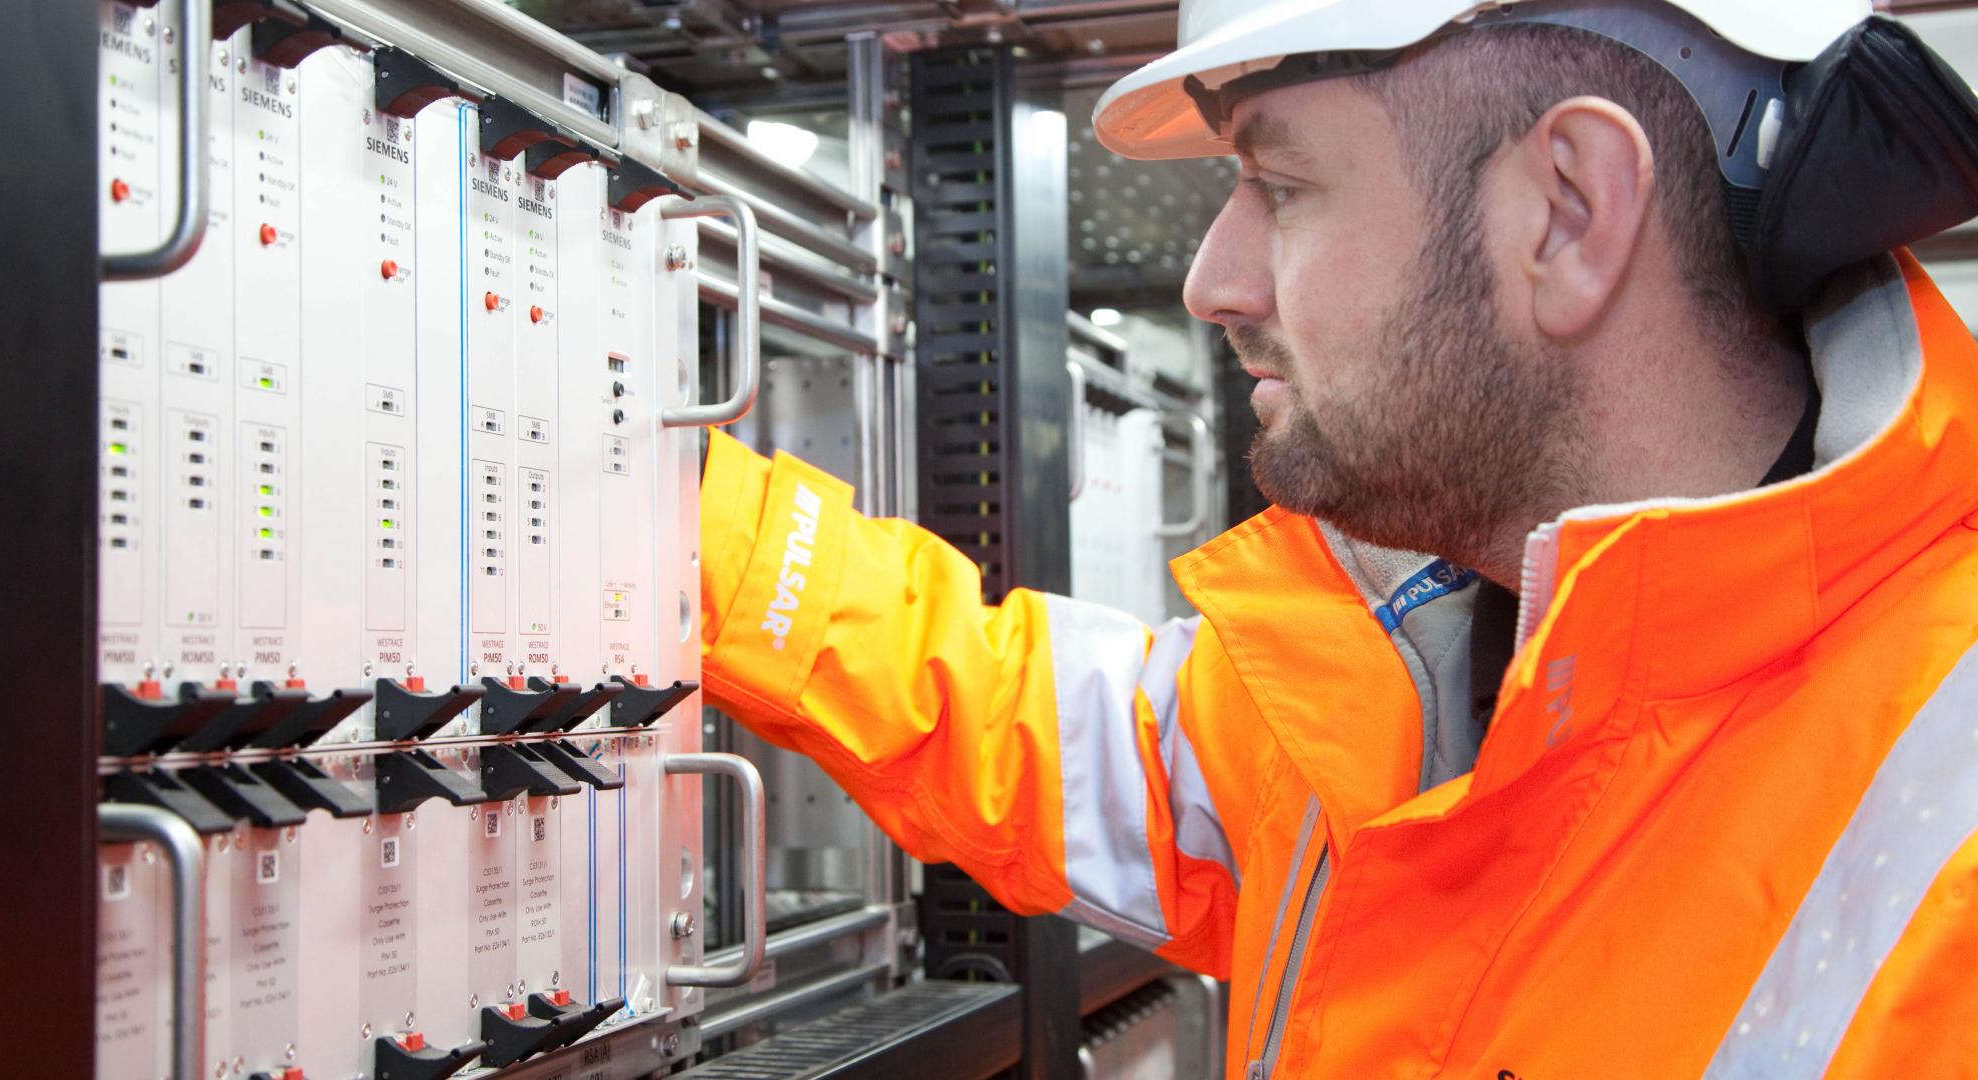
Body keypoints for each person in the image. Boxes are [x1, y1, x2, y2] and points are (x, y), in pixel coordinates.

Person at [697, 0, 1978, 1074]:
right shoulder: (1427, 643)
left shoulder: (1941, 828)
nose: (1211, 279)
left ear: (1569, 213)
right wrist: (666, 516)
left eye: (1279, 182)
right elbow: (1035, 725)